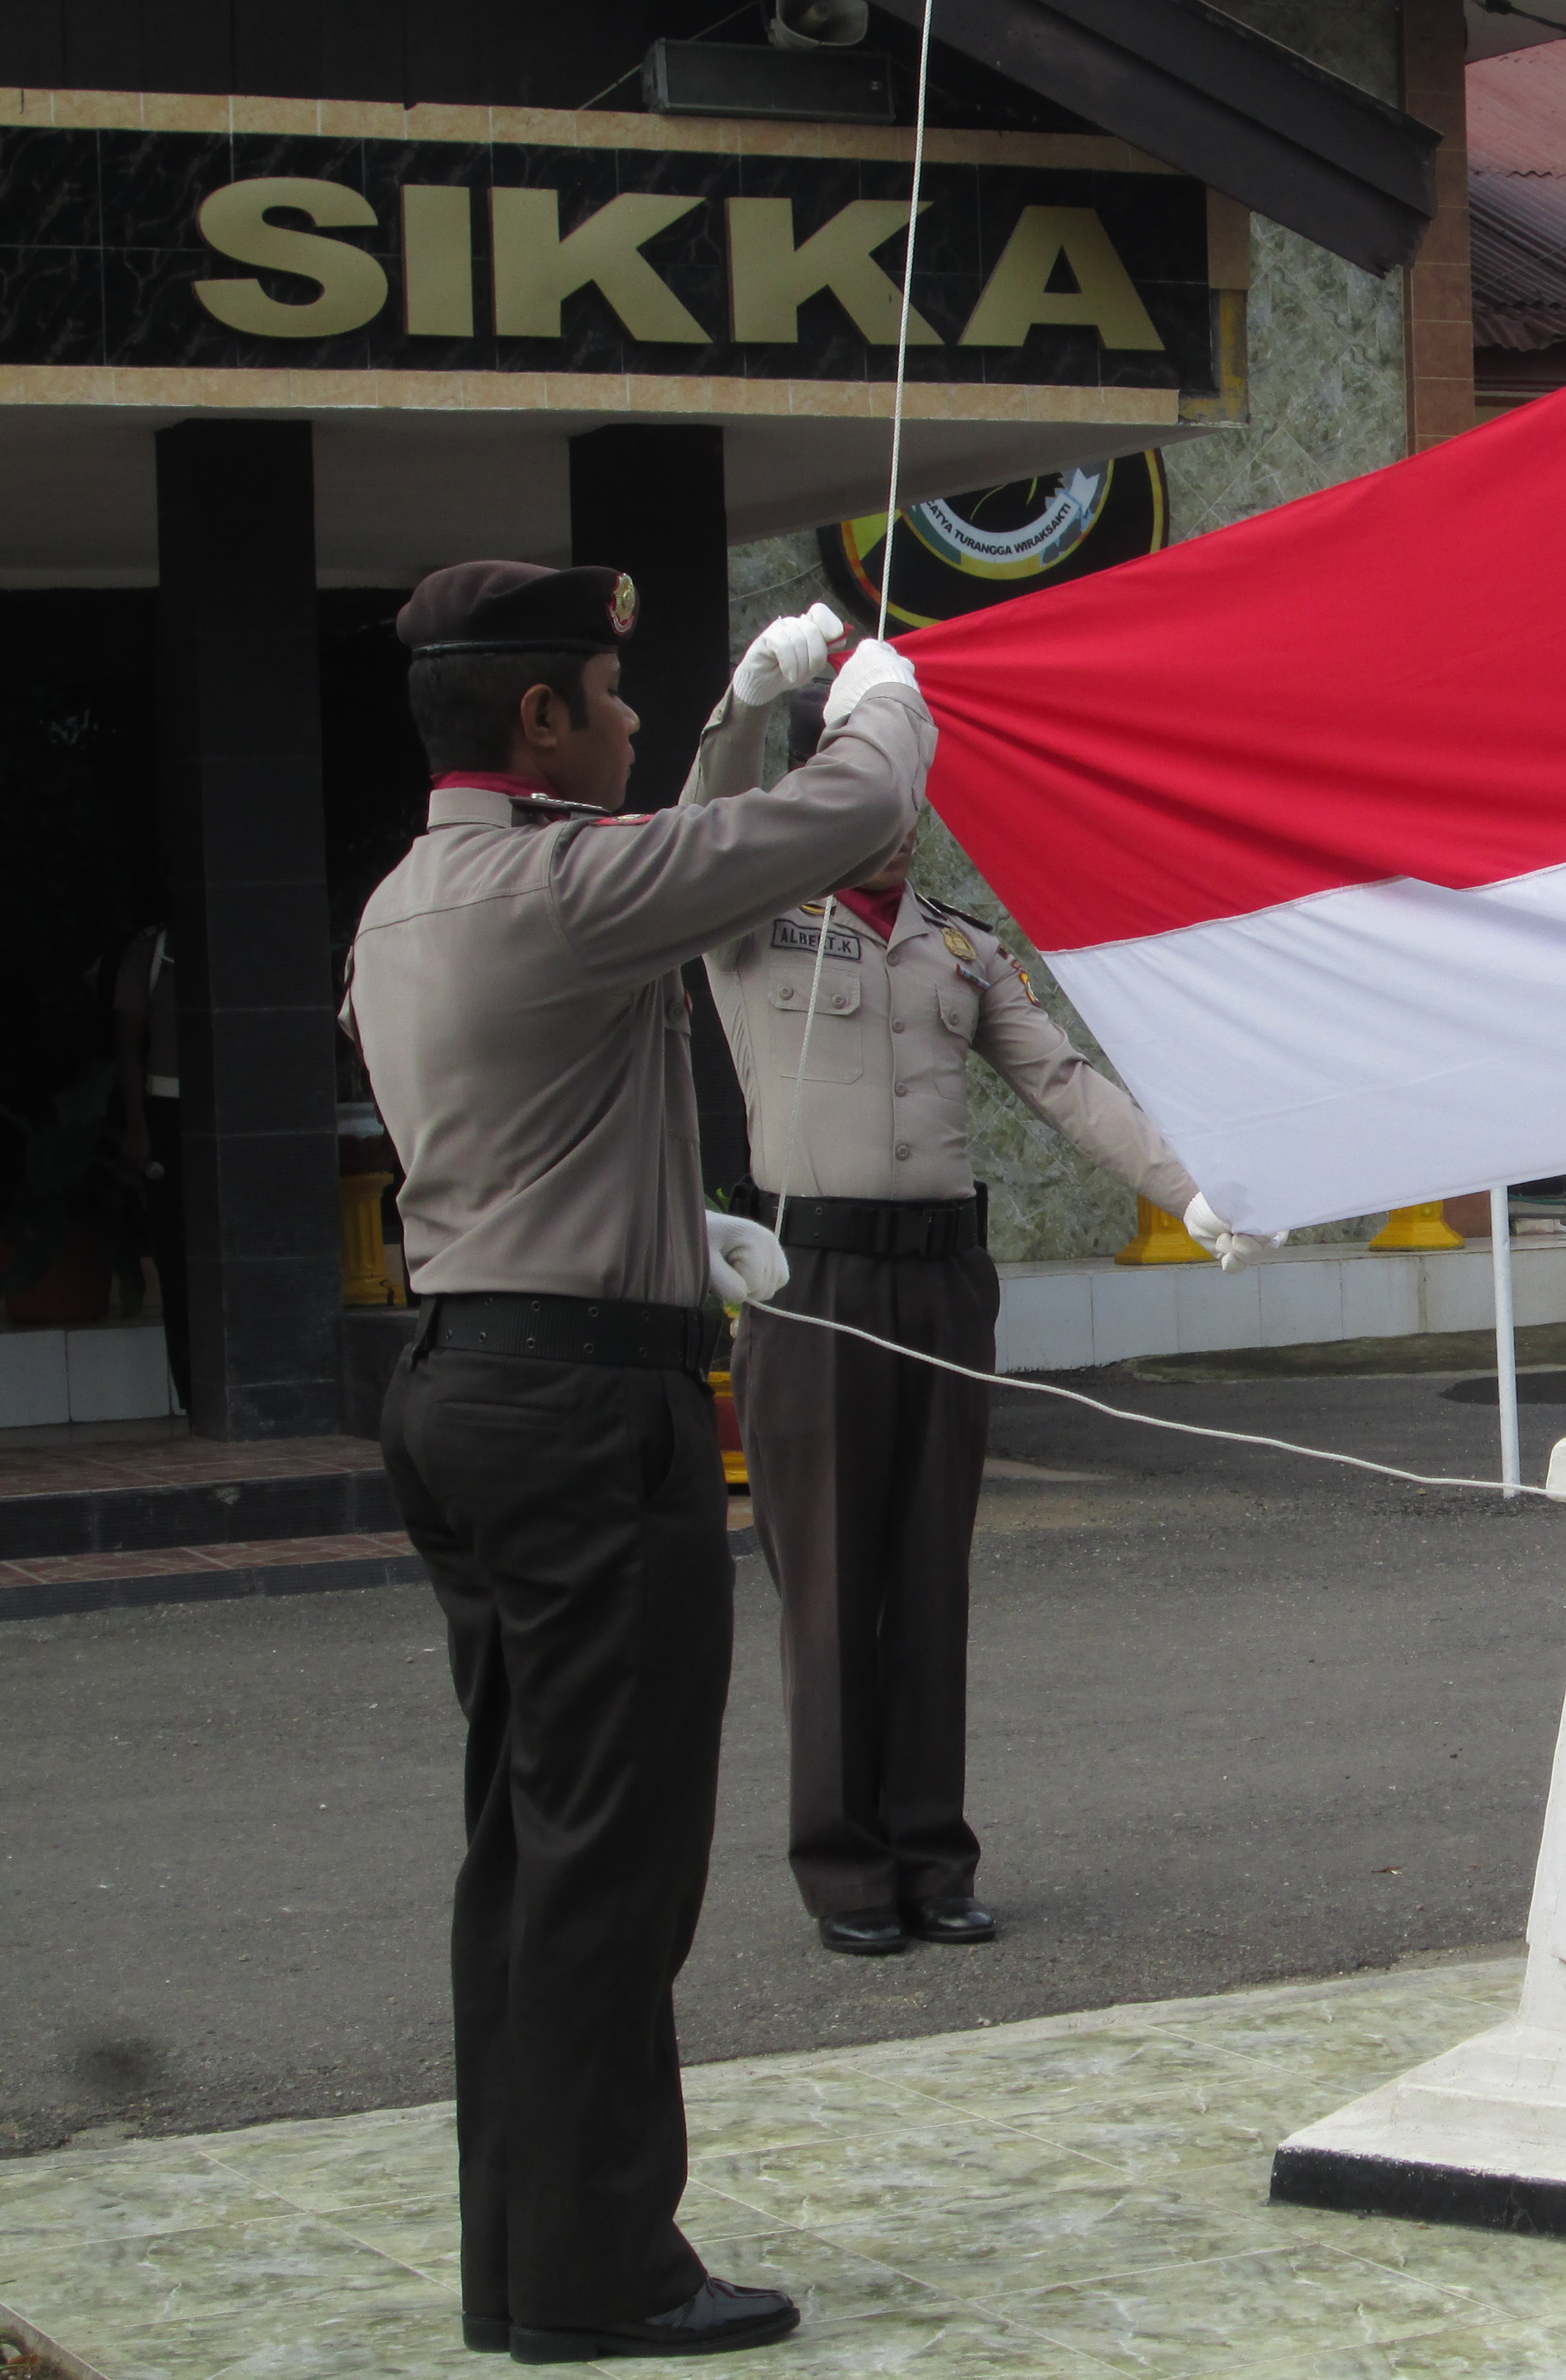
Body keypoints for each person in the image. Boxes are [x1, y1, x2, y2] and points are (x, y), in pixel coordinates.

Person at [343, 560, 928, 2362]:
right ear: (536, 720)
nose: (620, 715)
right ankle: (607, 2272)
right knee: (614, 1858)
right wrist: (873, 699)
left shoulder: (411, 898)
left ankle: (526, 2259)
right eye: (605, 690)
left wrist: (736, 715)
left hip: (476, 1380)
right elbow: (844, 813)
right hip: (591, 1417)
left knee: (529, 1851)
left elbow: (673, 853)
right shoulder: (563, 886)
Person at [683, 608, 1275, 1957]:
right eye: (871, 785)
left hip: (941, 1281)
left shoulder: (959, 946)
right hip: (810, 1273)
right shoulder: (750, 919)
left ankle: (932, 1853)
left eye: (908, 794)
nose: (894, 821)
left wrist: (1185, 1190)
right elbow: (700, 819)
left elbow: (1062, 1082)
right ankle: (845, 1870)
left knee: (927, 1576)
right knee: (831, 1583)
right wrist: (745, 700)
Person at [112, 923, 186, 1412]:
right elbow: (127, 1042)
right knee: (178, 1262)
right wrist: (137, 1126)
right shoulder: (152, 949)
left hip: (233, 1111)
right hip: (169, 1112)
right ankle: (192, 1392)